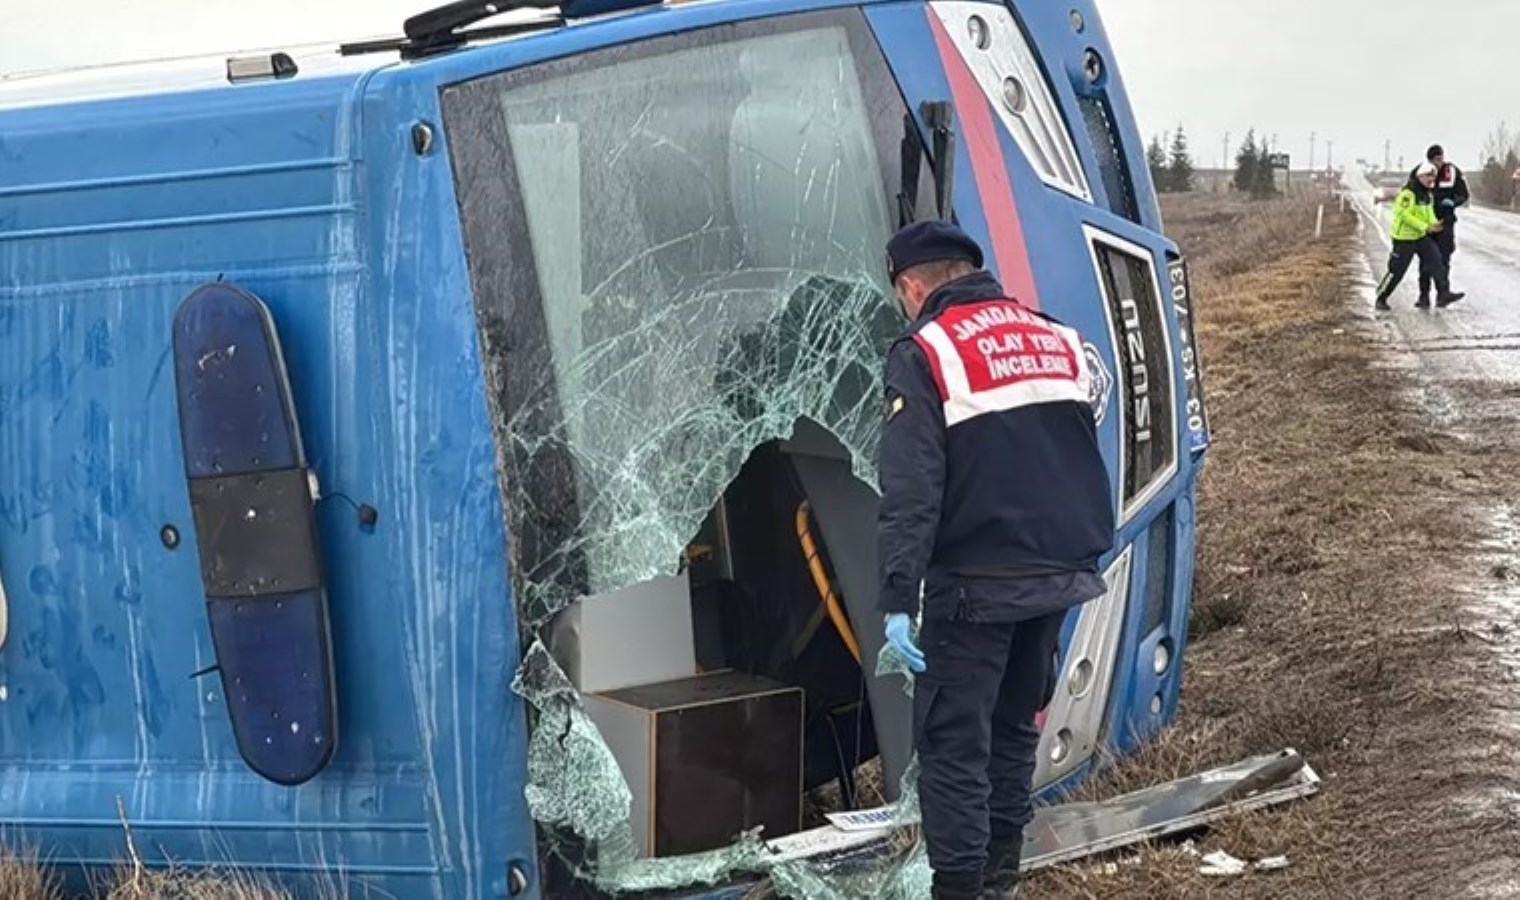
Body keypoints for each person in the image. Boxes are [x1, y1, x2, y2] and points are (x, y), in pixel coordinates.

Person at [875, 221, 1116, 900]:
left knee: (953, 749)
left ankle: (960, 891)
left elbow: (912, 486)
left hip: (974, 586)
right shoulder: (1055, 336)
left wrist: (898, 596)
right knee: (1012, 735)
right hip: (1056, 575)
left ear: (913, 285)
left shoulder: (925, 351)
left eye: (900, 293)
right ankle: (1000, 884)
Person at [1374, 163, 1465, 311]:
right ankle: (1381, 297)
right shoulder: (1408, 194)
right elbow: (1404, 215)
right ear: (1420, 176)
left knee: (1437, 261)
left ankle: (1444, 293)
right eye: (1429, 176)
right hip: (1404, 239)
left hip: (1421, 237)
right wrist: (1425, 227)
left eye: (1433, 176)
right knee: (1396, 272)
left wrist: (1436, 224)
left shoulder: (1426, 194)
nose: (1432, 179)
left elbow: (1428, 213)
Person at [1413, 144, 1471, 306]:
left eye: (1441, 159)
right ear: (1429, 160)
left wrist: (1453, 202)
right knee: (1426, 260)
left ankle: (1442, 295)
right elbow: (1411, 191)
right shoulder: (1420, 171)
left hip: (1445, 221)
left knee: (1444, 258)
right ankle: (1423, 296)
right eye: (1436, 160)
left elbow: (1464, 194)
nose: (1439, 163)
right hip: (1426, 224)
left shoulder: (1452, 171)